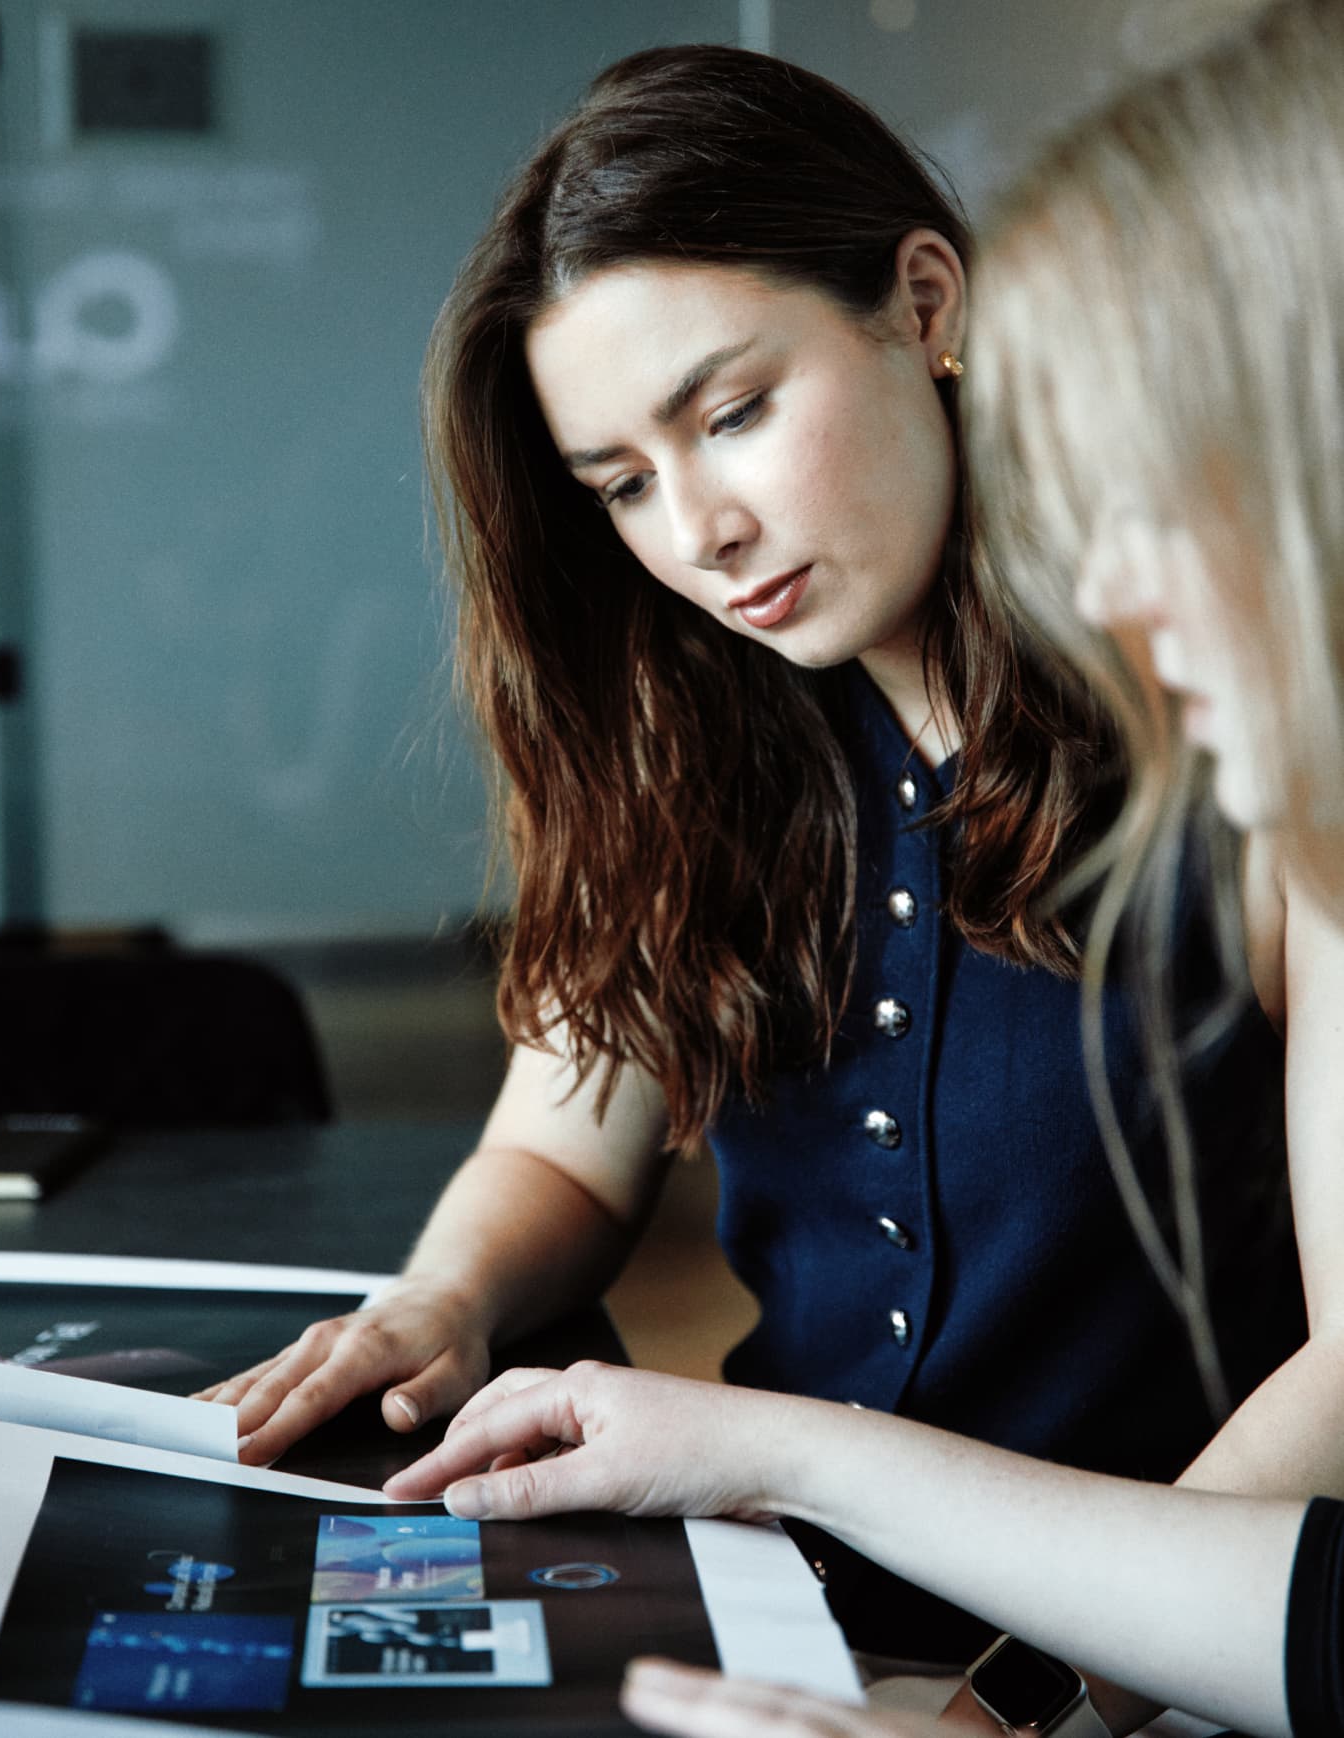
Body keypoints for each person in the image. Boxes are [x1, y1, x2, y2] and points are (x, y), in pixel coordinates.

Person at [199, 39, 1321, 1668]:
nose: (697, 533)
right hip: (774, 1605)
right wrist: (442, 1298)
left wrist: (1028, 1704)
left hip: (1156, 1659)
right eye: (621, 485)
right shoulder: (694, 741)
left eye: (731, 414)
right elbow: (561, 1152)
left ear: (924, 306)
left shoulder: (1247, 734)